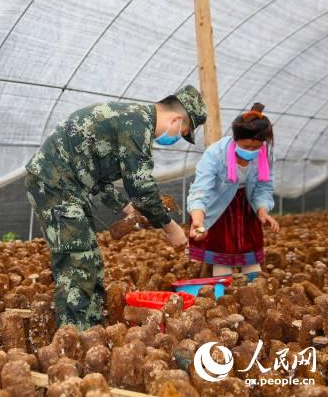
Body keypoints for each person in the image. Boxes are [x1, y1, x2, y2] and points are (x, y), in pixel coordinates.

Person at [25, 86, 207, 330]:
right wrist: (170, 226)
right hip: (54, 184)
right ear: (175, 119)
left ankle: (90, 326)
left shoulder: (131, 117)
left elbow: (97, 174)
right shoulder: (137, 124)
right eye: (181, 132)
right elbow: (141, 184)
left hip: (67, 186)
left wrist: (126, 207)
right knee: (77, 262)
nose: (175, 138)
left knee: (89, 258)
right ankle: (72, 335)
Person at [187, 103, 279, 280]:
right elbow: (201, 189)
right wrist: (198, 221)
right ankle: (222, 290)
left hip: (246, 206)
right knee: (222, 252)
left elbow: (264, 186)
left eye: (255, 147)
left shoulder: (266, 153)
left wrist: (262, 210)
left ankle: (254, 285)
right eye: (245, 146)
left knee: (250, 253)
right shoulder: (215, 153)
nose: (251, 150)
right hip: (219, 207)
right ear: (235, 139)